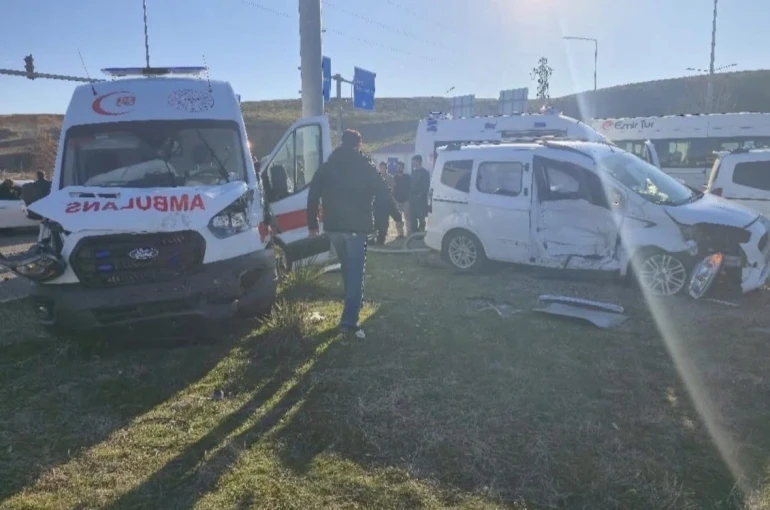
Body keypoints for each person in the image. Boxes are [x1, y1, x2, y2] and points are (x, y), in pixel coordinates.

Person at [307, 129, 403, 338]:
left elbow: (313, 194)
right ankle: (349, 321)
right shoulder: (365, 166)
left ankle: (353, 304)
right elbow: (383, 192)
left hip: (333, 228)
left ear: (342, 143)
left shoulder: (328, 166)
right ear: (358, 144)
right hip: (355, 229)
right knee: (355, 274)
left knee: (348, 270)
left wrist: (312, 224)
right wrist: (396, 216)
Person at [408, 155, 431, 234]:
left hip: (420, 199)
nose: (412, 163)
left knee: (421, 217)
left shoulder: (425, 173)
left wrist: (420, 195)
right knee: (412, 217)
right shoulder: (413, 172)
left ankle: (421, 233)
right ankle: (414, 233)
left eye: (413, 161)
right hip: (412, 199)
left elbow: (426, 186)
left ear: (418, 161)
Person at [392, 161, 410, 238]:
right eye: (398, 167)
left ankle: (409, 233)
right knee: (398, 218)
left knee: (408, 218)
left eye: (401, 167)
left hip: (406, 201)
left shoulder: (407, 177)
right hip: (397, 201)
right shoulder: (394, 178)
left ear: (403, 168)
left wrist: (409, 199)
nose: (399, 168)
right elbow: (392, 189)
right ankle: (400, 234)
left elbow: (410, 188)